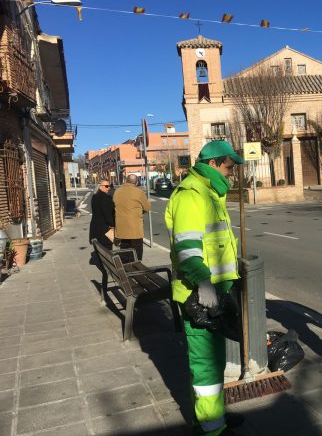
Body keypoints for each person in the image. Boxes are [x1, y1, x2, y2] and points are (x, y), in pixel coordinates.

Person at [165, 140, 245, 436]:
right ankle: (213, 429)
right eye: (228, 167)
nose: (231, 173)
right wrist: (203, 284)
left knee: (215, 361)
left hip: (215, 292)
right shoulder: (191, 195)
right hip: (200, 296)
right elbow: (187, 248)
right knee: (206, 366)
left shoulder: (209, 193)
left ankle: (213, 415)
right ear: (212, 164)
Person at [113, 174, 151, 261]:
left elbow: (114, 205)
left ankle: (126, 269)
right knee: (136, 253)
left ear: (126, 181)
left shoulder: (117, 191)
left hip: (121, 228)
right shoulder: (139, 192)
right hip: (135, 229)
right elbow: (147, 207)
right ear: (137, 182)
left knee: (125, 251)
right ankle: (136, 271)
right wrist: (139, 212)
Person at [89, 181, 115, 250]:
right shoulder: (105, 199)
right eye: (106, 186)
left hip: (96, 229)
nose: (108, 188)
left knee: (100, 249)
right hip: (104, 230)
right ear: (101, 186)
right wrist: (112, 225)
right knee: (107, 249)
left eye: (109, 186)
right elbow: (108, 214)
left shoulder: (95, 197)